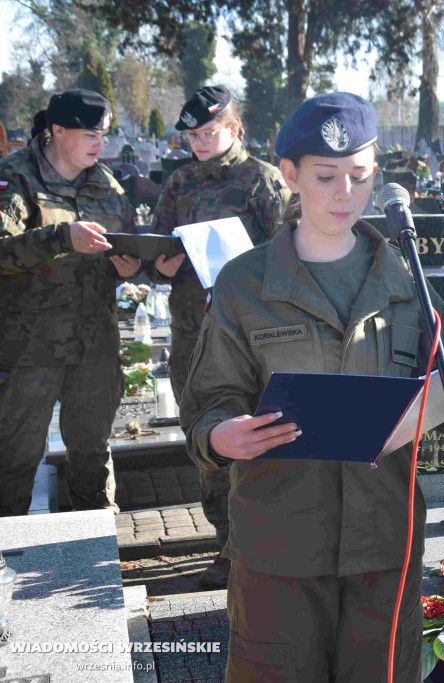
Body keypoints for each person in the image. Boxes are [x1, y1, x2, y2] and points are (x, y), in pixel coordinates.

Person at [178, 92, 444, 682]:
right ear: (289, 176)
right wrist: (222, 436)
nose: (344, 193)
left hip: (384, 545)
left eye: (359, 176)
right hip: (280, 544)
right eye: (326, 177)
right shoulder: (245, 284)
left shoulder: (404, 281)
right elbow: (209, 401)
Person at [146, 85, 291, 588]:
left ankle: (248, 549)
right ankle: (224, 541)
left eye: (209, 132)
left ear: (235, 129)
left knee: (252, 437)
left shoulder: (263, 181)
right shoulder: (179, 182)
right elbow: (157, 256)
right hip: (193, 333)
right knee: (207, 439)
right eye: (192, 135)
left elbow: (288, 257)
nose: (200, 142)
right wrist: (160, 264)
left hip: (252, 339)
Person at [0, 89, 140, 516]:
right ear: (57, 131)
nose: (101, 144)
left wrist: (131, 266)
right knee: (15, 457)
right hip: (30, 348)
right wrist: (61, 238)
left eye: (105, 134)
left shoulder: (106, 183)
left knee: (93, 452)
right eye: (90, 134)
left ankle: (95, 548)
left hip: (94, 345)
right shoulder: (16, 175)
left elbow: (128, 242)